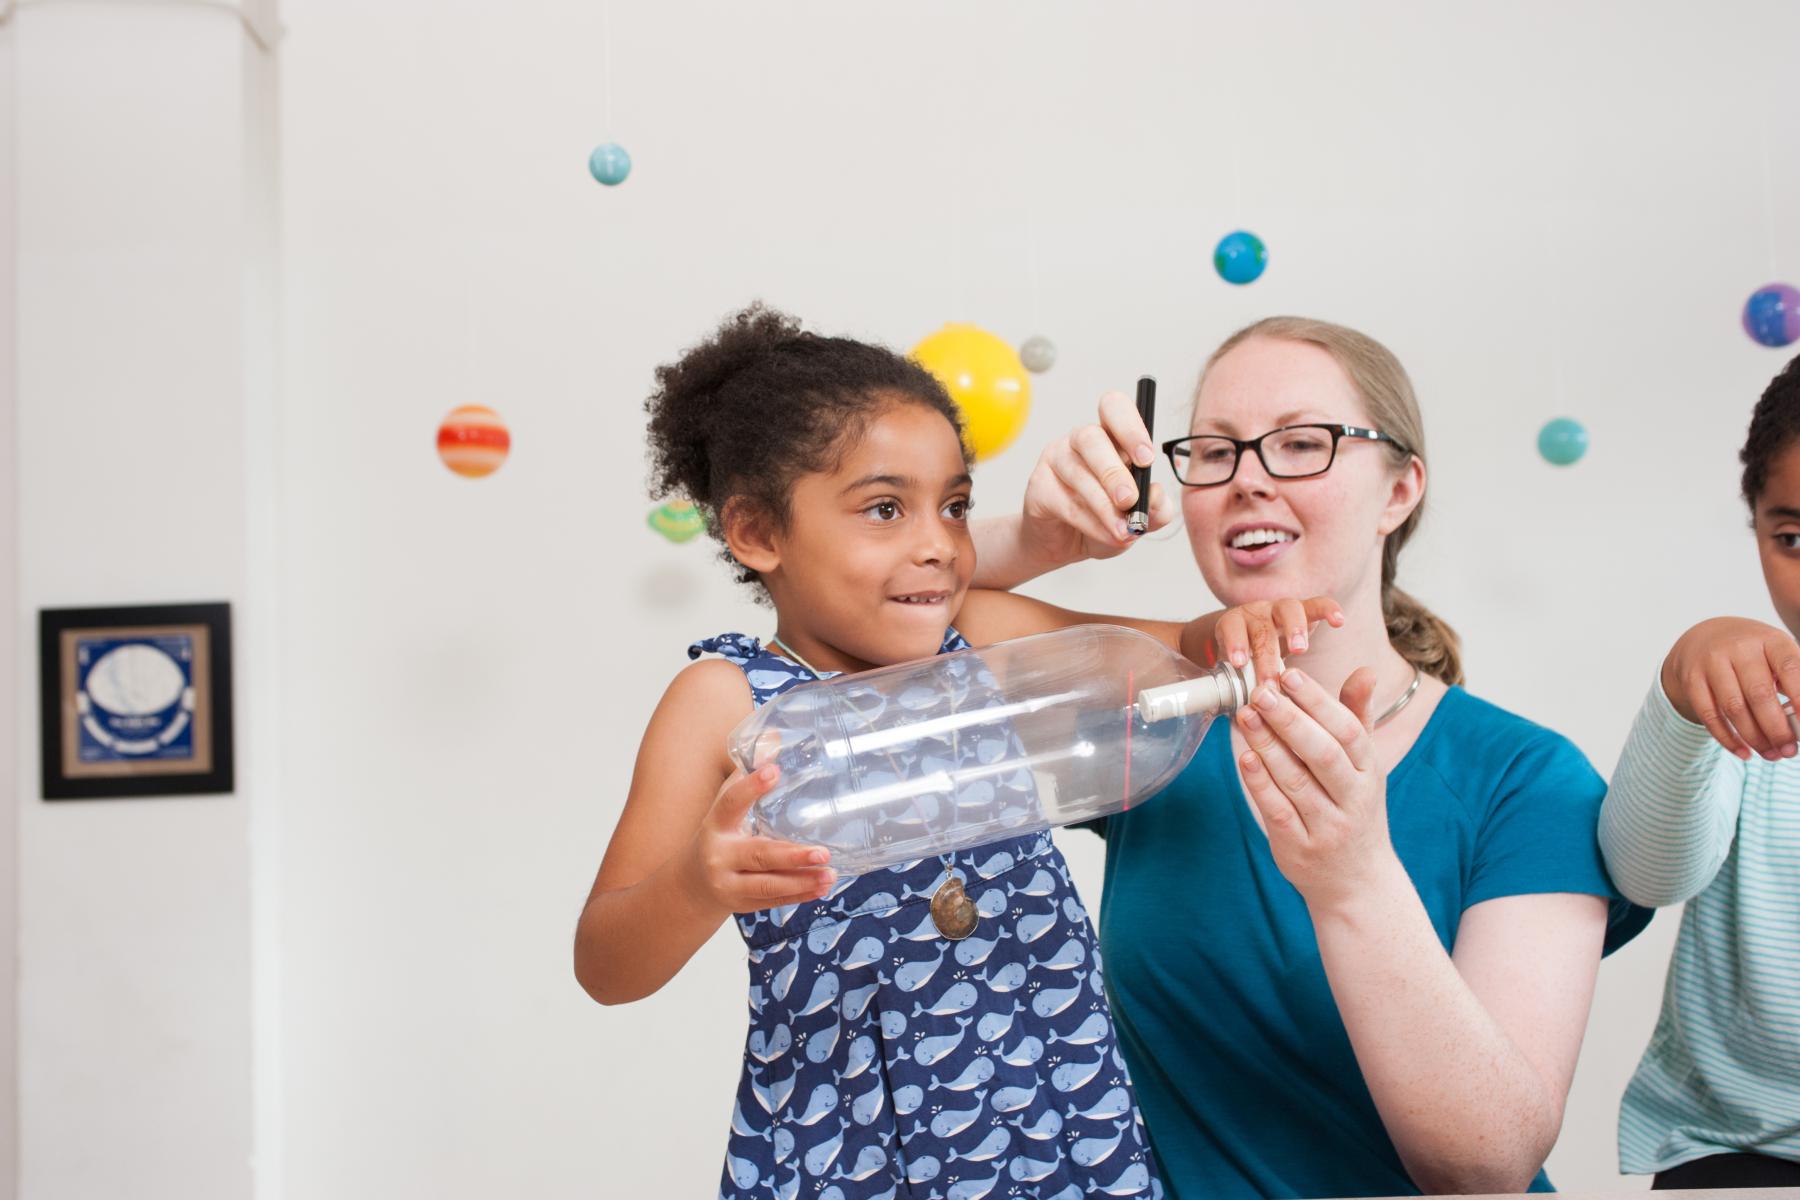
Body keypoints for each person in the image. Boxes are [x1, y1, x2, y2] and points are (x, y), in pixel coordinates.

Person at [573, 303, 1334, 1198]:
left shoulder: (979, 639)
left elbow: (1180, 648)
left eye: (956, 506)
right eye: (885, 509)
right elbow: (605, 963)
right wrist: (697, 885)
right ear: (757, 533)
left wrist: (1245, 623)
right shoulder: (724, 703)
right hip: (852, 1147)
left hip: (1059, 1116)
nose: (937, 543)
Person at [973, 315, 1652, 1198]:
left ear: (1401, 489)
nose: (1248, 479)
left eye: (1301, 444)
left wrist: (1352, 877)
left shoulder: (1527, 781)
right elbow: (897, 631)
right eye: (1214, 453)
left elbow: (1488, 1162)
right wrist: (1038, 541)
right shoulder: (1152, 723)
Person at [1598, 351, 1800, 1190]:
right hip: (1738, 1153)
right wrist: (1684, 691)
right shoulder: (1749, 698)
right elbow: (1645, 872)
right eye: (1792, 537)